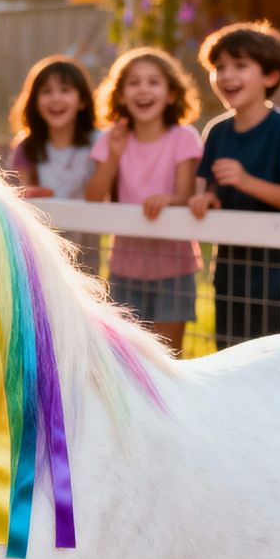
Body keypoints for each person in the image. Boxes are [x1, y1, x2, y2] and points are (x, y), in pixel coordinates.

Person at [189, 22, 280, 344]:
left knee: (279, 364)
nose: (227, 75)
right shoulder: (216, 131)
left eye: (240, 66)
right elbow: (210, 188)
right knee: (231, 357)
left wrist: (246, 181)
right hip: (231, 274)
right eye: (220, 67)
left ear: (270, 76)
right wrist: (208, 199)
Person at [84, 47, 202, 355]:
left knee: (168, 356)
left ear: (172, 94)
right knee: (127, 358)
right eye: (134, 83)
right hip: (126, 267)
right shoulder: (111, 139)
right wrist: (114, 154)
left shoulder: (184, 138)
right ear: (121, 95)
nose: (143, 90)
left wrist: (170, 199)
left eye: (153, 82)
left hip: (175, 267)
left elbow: (186, 195)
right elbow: (93, 196)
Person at [8, 55, 100, 270]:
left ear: (83, 100)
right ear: (34, 100)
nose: (55, 98)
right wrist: (30, 193)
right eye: (46, 91)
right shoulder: (25, 147)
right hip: (44, 247)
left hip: (87, 247)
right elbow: (25, 191)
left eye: (65, 90)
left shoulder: (100, 142)